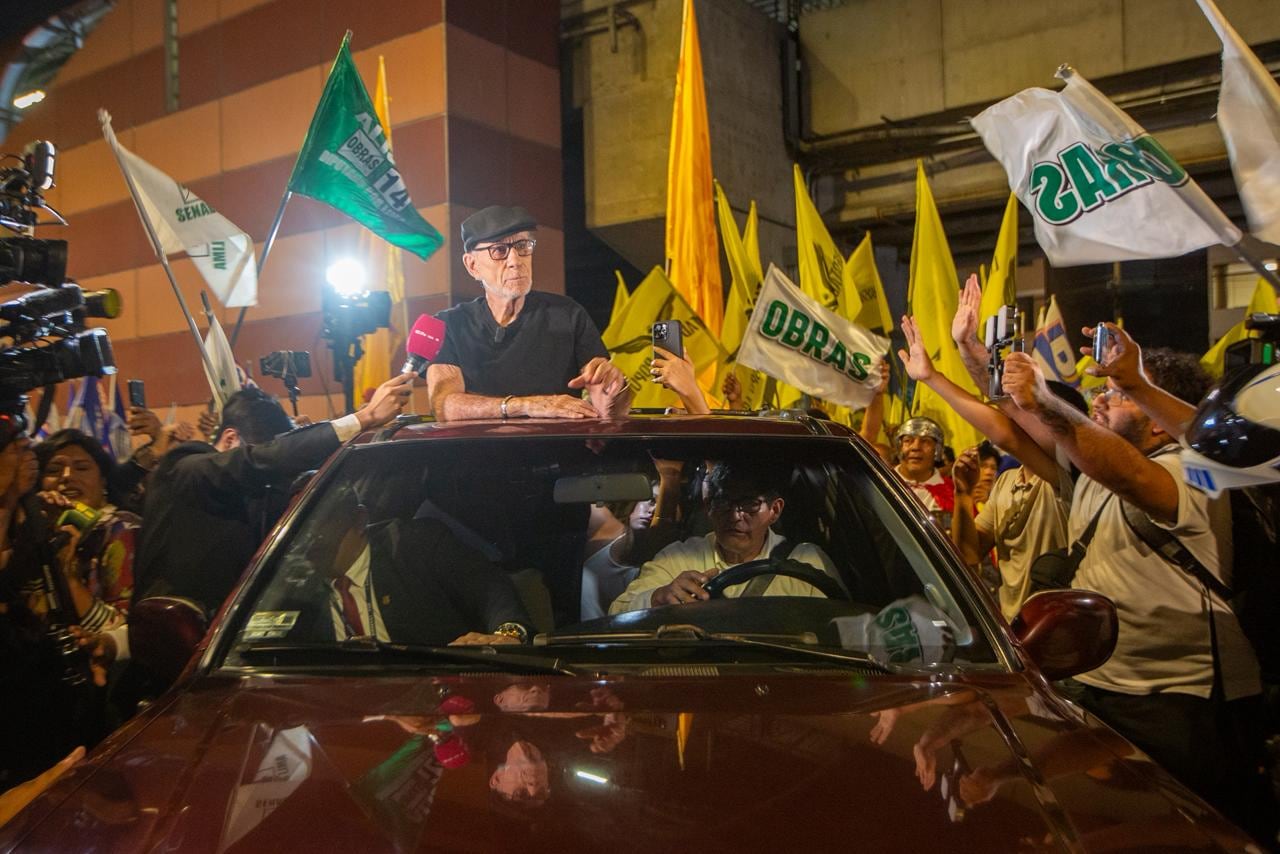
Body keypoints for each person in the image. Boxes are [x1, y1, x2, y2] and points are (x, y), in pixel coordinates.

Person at [1001, 337, 1272, 839]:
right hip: (1104, 686)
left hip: (1185, 704)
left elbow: (1129, 475)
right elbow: (1016, 432)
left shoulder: (1197, 474)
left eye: (1118, 395)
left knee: (1196, 836)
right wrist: (978, 362)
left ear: (1156, 418)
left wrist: (1047, 398)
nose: (1099, 399)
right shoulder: (1092, 470)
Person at [133, 374, 413, 619]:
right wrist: (361, 419)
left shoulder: (260, 490)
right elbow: (263, 461)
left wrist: (312, 437)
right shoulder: (186, 469)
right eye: (260, 450)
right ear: (231, 440)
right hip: (165, 649)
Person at [427, 205, 631, 422]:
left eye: (523, 246)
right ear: (472, 265)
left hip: (556, 451)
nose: (516, 261)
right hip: (478, 452)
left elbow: (609, 411)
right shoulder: (447, 325)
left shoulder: (567, 314)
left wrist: (615, 390)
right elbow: (444, 406)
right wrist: (526, 405)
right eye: (499, 250)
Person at [274, 486, 533, 647]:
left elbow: (489, 589)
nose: (306, 537)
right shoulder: (292, 585)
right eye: (298, 527)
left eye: (318, 523)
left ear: (360, 520)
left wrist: (508, 634)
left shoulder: (416, 545)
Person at [609, 461, 837, 612]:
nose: (735, 516)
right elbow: (619, 610)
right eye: (723, 503)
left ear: (775, 510)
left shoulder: (807, 563)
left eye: (749, 504)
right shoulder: (678, 558)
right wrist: (659, 597)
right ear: (709, 507)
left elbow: (840, 631)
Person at [31, 430, 141, 634]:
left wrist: (70, 578)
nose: (66, 477)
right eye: (53, 470)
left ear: (104, 480)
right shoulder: (36, 533)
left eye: (81, 468)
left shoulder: (121, 530)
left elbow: (126, 632)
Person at [891, 416, 954, 526]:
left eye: (925, 441)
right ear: (899, 448)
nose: (916, 447)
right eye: (908, 441)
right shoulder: (882, 484)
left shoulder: (953, 492)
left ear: (937, 450)